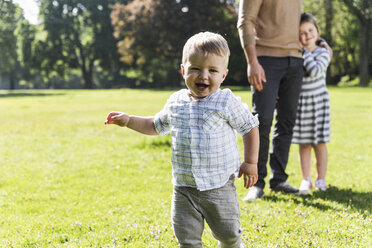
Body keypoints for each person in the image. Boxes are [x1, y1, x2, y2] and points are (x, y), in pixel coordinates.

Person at [105, 32, 259, 248]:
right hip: (184, 188)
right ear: (183, 70)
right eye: (195, 68)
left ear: (223, 75)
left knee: (228, 235)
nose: (203, 76)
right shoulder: (176, 102)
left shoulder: (225, 102)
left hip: (219, 186)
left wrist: (250, 162)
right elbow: (155, 126)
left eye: (212, 70)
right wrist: (129, 120)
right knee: (187, 239)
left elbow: (249, 127)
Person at [237, 0, 304, 201]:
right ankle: (257, 183)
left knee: (287, 121)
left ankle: (279, 179)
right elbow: (245, 21)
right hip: (266, 60)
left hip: (295, 60)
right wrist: (252, 62)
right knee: (262, 120)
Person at [292, 13, 331, 195]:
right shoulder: (297, 54)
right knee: (304, 144)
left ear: (317, 31)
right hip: (302, 104)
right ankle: (306, 179)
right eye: (301, 33)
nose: (306, 36)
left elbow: (315, 71)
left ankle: (320, 178)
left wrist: (304, 51)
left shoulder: (323, 52)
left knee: (320, 143)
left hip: (319, 104)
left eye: (310, 31)